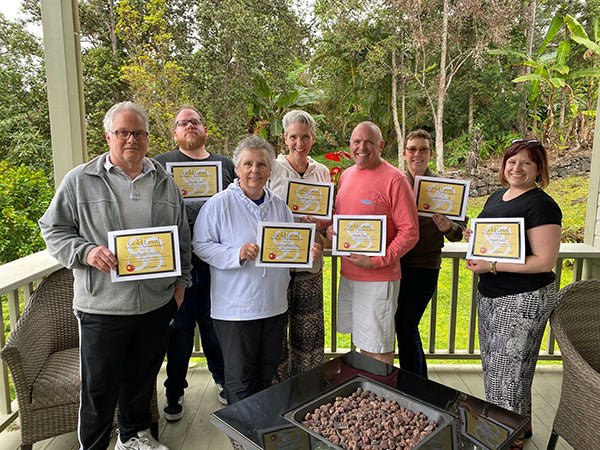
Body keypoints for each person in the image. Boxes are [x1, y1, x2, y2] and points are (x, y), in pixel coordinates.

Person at [39, 101, 191, 450]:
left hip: (155, 303)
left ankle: (134, 437)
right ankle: (92, 445)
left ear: (148, 138)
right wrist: (87, 252)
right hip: (102, 305)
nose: (131, 139)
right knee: (99, 387)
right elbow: (53, 229)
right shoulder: (80, 180)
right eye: (123, 132)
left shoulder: (165, 182)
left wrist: (182, 283)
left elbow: (181, 238)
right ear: (108, 135)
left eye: (138, 132)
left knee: (141, 379)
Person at [193, 135, 322, 404]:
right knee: (240, 380)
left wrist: (306, 254)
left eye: (261, 164)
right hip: (236, 310)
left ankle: (261, 432)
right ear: (237, 169)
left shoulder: (279, 207)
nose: (255, 170)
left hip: (274, 306)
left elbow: (289, 254)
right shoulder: (219, 204)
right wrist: (235, 254)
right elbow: (200, 245)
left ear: (270, 170)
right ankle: (242, 440)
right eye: (248, 164)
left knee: (266, 375)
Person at [465, 139, 562, 449]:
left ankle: (507, 440)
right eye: (512, 161)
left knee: (510, 373)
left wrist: (491, 264)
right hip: (492, 294)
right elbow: (497, 241)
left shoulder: (541, 205)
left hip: (522, 298)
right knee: (498, 367)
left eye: (526, 163)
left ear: (538, 170)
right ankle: (519, 428)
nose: (516, 167)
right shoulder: (497, 197)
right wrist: (475, 240)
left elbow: (544, 261)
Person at [155, 105, 235, 418]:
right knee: (180, 330)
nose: (189, 126)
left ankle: (224, 380)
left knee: (216, 326)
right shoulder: (160, 164)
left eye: (195, 121)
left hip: (217, 263)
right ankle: (174, 391)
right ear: (175, 133)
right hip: (179, 265)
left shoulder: (225, 165)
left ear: (205, 129)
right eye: (182, 123)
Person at [326, 121, 419, 365]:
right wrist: (333, 230)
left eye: (368, 141)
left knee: (378, 347)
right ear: (350, 145)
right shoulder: (346, 175)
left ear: (381, 144)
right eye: (357, 141)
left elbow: (410, 232)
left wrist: (377, 261)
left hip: (379, 278)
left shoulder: (395, 180)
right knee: (361, 340)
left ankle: (381, 398)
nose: (362, 147)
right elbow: (342, 218)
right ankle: (366, 396)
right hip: (349, 275)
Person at [396, 129, 466, 378]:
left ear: (430, 153)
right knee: (398, 326)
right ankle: (413, 381)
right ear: (404, 153)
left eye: (423, 149)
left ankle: (416, 383)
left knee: (406, 325)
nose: (417, 154)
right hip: (392, 266)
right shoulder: (395, 181)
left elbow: (460, 230)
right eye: (412, 149)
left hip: (424, 267)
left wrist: (450, 227)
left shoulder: (444, 189)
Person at [268, 110, 330, 378]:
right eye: (294, 136)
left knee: (309, 330)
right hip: (278, 264)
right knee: (277, 329)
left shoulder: (322, 172)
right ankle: (279, 390)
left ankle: (308, 386)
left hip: (311, 264)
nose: (299, 143)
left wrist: (322, 227)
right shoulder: (272, 168)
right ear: (285, 138)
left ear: (313, 139)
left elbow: (328, 219)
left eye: (305, 137)